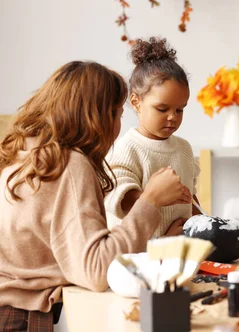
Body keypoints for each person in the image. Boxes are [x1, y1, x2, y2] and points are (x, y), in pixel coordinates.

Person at [0, 61, 191, 330]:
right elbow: (96, 270)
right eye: (117, 113)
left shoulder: (25, 153)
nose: (118, 124)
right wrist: (150, 202)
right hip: (23, 317)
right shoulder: (68, 164)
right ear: (96, 117)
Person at [104, 37, 201, 238]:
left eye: (180, 109)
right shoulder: (126, 149)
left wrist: (205, 222)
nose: (173, 117)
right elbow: (120, 199)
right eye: (162, 108)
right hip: (138, 256)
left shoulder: (184, 148)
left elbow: (190, 198)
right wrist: (157, 196)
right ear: (136, 102)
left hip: (178, 251)